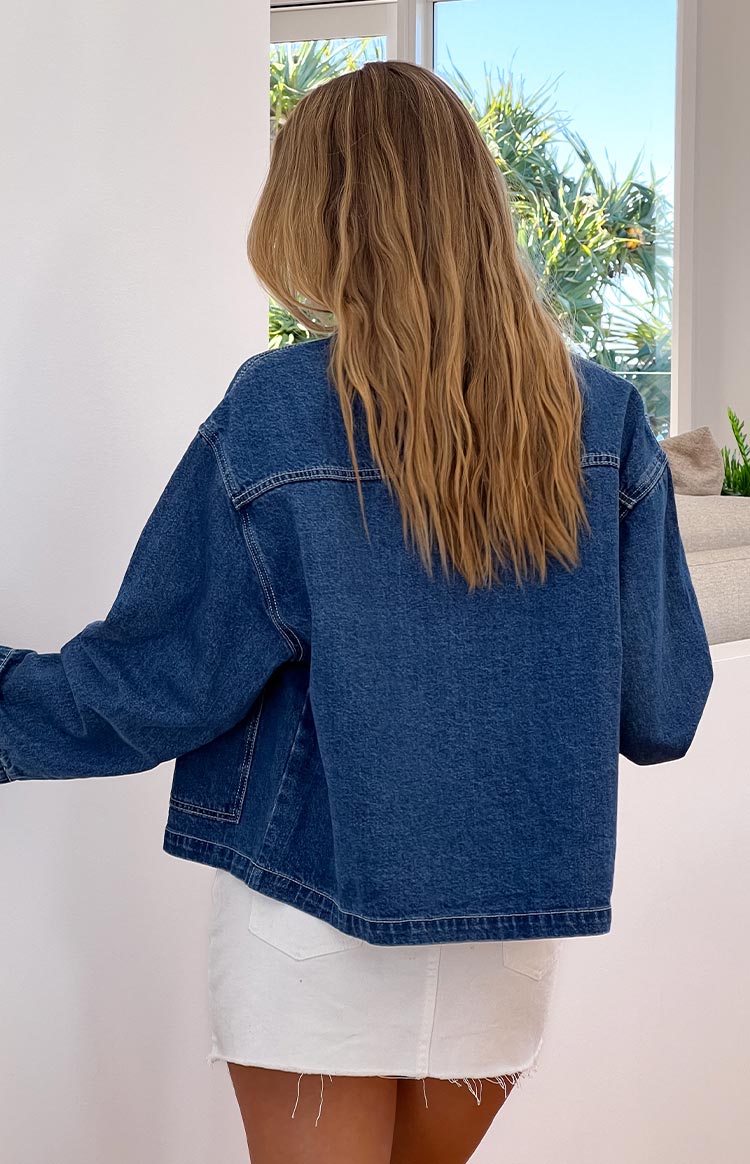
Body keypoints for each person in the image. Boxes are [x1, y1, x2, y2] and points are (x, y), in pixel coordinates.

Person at [0, 60, 713, 1164]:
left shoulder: (280, 413)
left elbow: (155, 684)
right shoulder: (604, 420)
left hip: (312, 914)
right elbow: (660, 711)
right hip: (506, 935)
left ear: (320, 214)